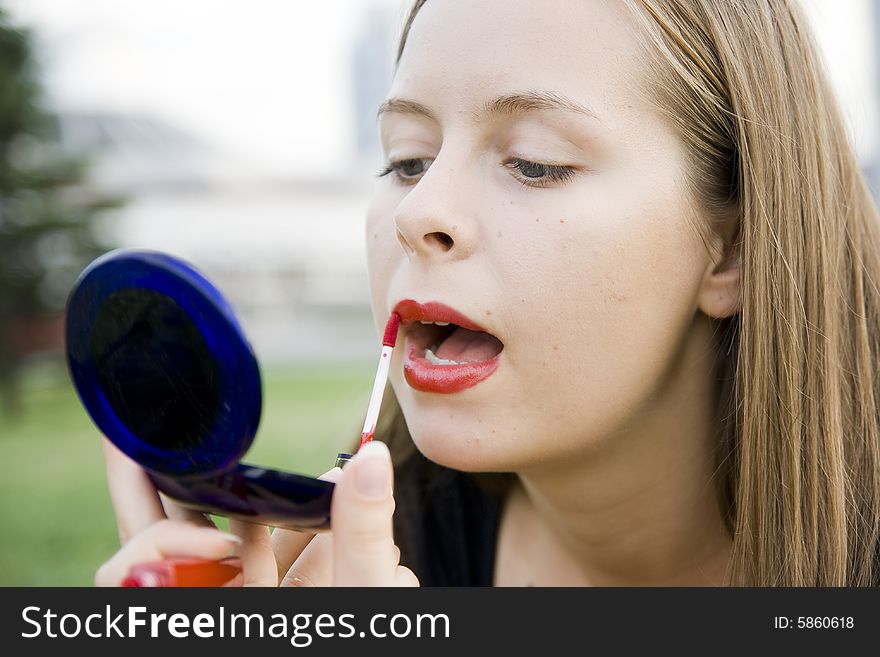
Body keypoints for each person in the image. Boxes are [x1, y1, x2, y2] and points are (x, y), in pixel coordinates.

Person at [96, 0, 880, 587]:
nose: (419, 212)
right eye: (407, 160)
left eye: (534, 163)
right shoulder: (356, 566)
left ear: (734, 247)